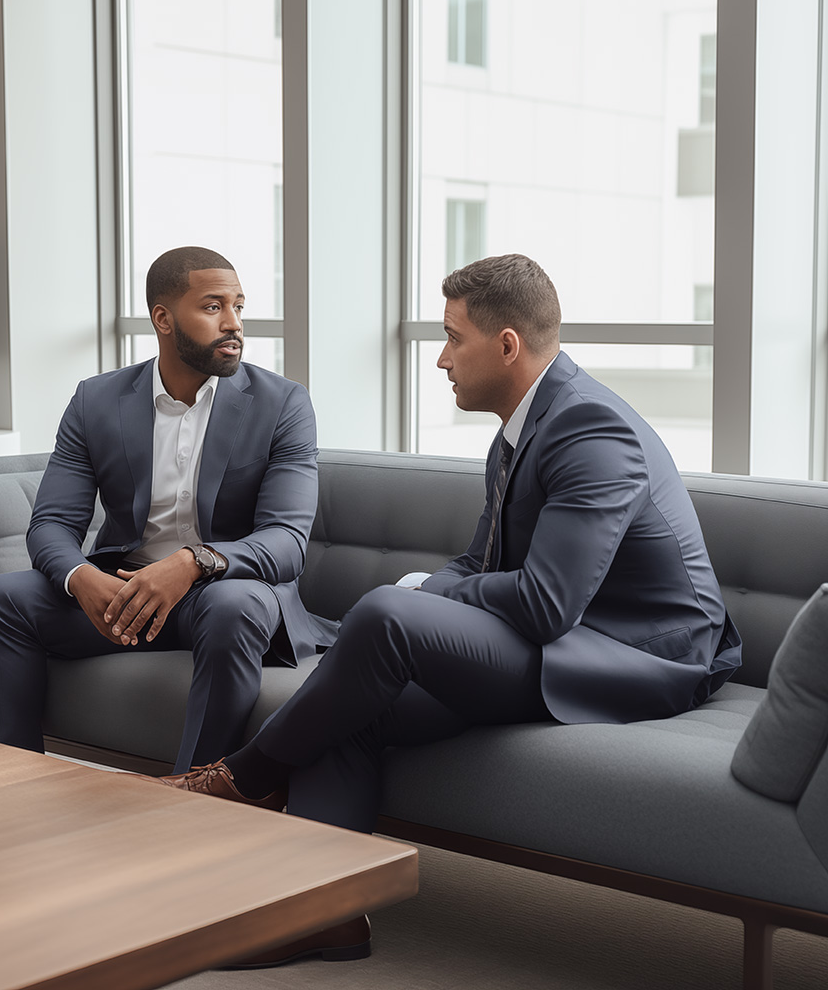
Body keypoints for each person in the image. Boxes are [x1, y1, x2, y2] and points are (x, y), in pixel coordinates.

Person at [152, 253, 742, 966]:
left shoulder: (591, 431)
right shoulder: (520, 427)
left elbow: (547, 604)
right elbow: (483, 566)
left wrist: (422, 596)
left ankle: (242, 776)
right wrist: (430, 585)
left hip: (635, 655)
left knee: (385, 617)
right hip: (564, 635)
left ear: (506, 346)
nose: (440, 360)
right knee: (354, 700)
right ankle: (320, 912)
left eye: (453, 338)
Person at [0, 246, 336, 773]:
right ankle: (12, 779)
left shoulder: (282, 403)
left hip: (221, 594)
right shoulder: (96, 400)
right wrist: (80, 578)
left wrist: (192, 563)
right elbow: (51, 523)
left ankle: (193, 798)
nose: (233, 323)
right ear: (163, 319)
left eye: (238, 306)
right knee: (0, 598)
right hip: (124, 593)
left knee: (234, 608)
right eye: (213, 307)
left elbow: (286, 542)